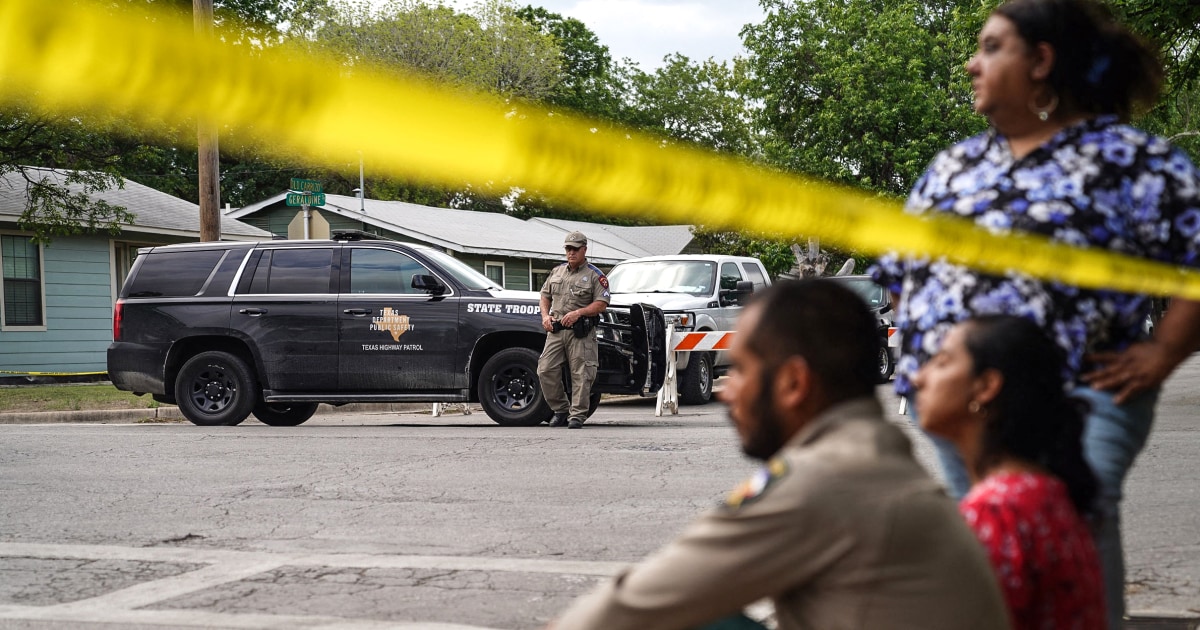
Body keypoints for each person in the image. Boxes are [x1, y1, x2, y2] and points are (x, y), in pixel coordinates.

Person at [869, 0, 1200, 623]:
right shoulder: (954, 167)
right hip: (962, 403)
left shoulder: (1133, 162)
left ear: (1042, 61)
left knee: (1068, 531)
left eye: (992, 47)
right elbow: (898, 276)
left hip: (1081, 396)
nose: (972, 64)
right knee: (983, 555)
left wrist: (1163, 353)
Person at [549, 280, 1008, 630]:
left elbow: (621, 609)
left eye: (744, 370)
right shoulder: (873, 454)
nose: (729, 395)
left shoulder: (828, 479)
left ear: (793, 382)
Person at [914, 315, 1105, 629]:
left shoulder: (996, 513)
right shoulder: (1046, 492)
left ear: (986, 386)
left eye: (942, 362)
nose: (919, 378)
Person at [537, 231, 610, 429]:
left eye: (575, 249)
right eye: (568, 249)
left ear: (584, 250)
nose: (571, 253)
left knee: (582, 373)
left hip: (581, 332)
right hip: (556, 330)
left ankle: (577, 415)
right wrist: (545, 316)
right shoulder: (557, 272)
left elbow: (602, 303)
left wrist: (579, 313)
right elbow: (544, 296)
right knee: (545, 370)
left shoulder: (595, 275)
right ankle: (560, 409)